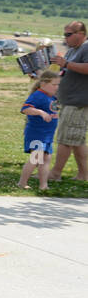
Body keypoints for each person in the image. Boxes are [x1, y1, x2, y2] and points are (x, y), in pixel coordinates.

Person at [50, 21, 88, 181]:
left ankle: (55, 173)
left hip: (78, 102)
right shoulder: (72, 50)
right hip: (68, 101)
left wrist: (66, 63)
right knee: (76, 140)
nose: (65, 38)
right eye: (64, 34)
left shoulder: (86, 47)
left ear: (81, 34)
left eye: (68, 34)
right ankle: (84, 175)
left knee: (65, 139)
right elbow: (66, 71)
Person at [18, 68, 60, 190]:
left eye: (58, 85)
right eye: (54, 85)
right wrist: (40, 112)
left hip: (47, 135)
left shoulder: (52, 97)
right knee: (36, 158)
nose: (56, 87)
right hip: (37, 133)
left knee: (46, 159)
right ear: (44, 84)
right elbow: (25, 108)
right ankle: (22, 183)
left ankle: (43, 185)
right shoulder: (38, 96)